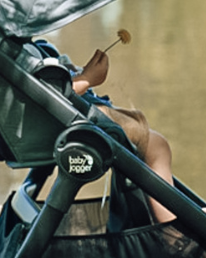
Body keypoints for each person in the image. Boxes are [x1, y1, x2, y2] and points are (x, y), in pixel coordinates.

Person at [50, 45, 177, 223]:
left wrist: (73, 72)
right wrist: (85, 79)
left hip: (64, 110)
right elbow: (48, 97)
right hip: (58, 118)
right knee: (156, 146)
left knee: (144, 148)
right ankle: (173, 231)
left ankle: (171, 218)